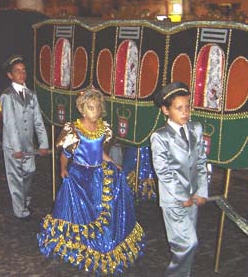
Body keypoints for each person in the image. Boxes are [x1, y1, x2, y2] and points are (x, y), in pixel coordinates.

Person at [37, 88, 145, 274]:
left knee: (99, 207)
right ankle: (78, 243)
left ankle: (101, 241)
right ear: (82, 109)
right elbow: (66, 154)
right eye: (91, 108)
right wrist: (63, 168)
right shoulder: (74, 130)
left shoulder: (103, 128)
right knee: (78, 210)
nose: (95, 111)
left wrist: (113, 163)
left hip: (97, 174)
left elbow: (100, 153)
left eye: (97, 107)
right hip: (79, 175)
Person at [150, 82, 208, 277]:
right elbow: (163, 171)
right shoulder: (160, 137)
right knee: (187, 243)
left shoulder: (196, 129)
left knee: (186, 247)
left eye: (187, 107)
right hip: (174, 200)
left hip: (193, 198)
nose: (185, 113)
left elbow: (200, 162)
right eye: (179, 108)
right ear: (165, 110)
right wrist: (182, 196)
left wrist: (201, 191)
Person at [0, 55, 49, 220]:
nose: (21, 74)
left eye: (23, 71)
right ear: (10, 75)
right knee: (15, 177)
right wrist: (17, 149)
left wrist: (43, 144)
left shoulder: (31, 94)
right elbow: (10, 124)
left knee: (30, 171)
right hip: (13, 147)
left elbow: (38, 121)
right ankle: (20, 211)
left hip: (28, 144)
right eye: (17, 71)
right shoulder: (7, 96)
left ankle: (25, 201)